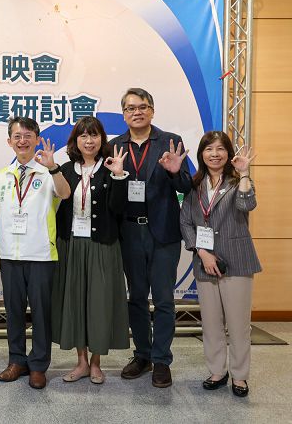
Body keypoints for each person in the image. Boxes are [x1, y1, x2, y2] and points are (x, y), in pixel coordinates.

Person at [109, 88, 192, 388]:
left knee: (164, 300)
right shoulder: (114, 146)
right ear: (124, 114)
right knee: (136, 298)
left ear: (152, 111)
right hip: (129, 232)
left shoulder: (171, 141)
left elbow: (187, 187)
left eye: (142, 107)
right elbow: (111, 194)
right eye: (130, 108)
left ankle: (161, 360)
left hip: (163, 233)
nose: (137, 112)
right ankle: (142, 355)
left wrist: (174, 172)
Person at [0, 117, 71, 389]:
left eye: (27, 136)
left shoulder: (49, 171)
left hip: (40, 254)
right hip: (10, 255)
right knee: (13, 311)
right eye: (17, 136)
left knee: (40, 313)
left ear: (36, 139)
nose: (22, 141)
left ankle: (38, 365)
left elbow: (65, 194)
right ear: (9, 141)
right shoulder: (3, 174)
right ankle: (17, 361)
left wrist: (54, 168)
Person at [52, 116, 130, 385]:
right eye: (83, 136)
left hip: (102, 245)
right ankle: (82, 362)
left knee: (99, 302)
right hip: (72, 244)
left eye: (94, 135)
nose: (89, 141)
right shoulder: (65, 169)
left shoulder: (110, 167)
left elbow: (118, 209)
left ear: (101, 139)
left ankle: (96, 363)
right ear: (75, 141)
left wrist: (118, 175)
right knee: (76, 302)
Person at [180, 132, 259, 397]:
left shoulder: (239, 182)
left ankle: (240, 375)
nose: (214, 154)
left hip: (237, 260)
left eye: (220, 149)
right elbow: (185, 222)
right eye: (209, 149)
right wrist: (201, 252)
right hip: (205, 262)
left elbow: (247, 205)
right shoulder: (194, 185)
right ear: (201, 154)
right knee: (211, 323)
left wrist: (245, 173)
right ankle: (217, 371)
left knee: (238, 324)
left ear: (228, 153)